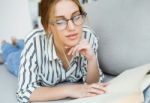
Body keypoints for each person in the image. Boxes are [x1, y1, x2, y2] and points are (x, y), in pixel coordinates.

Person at [16, 0, 106, 102]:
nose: (72, 28)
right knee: (12, 57)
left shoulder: (88, 37)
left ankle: (17, 43)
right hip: (26, 55)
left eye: (76, 17)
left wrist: (91, 59)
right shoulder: (34, 42)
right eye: (60, 22)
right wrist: (70, 90)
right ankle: (6, 45)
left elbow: (92, 85)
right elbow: (24, 92)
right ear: (48, 27)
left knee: (19, 47)